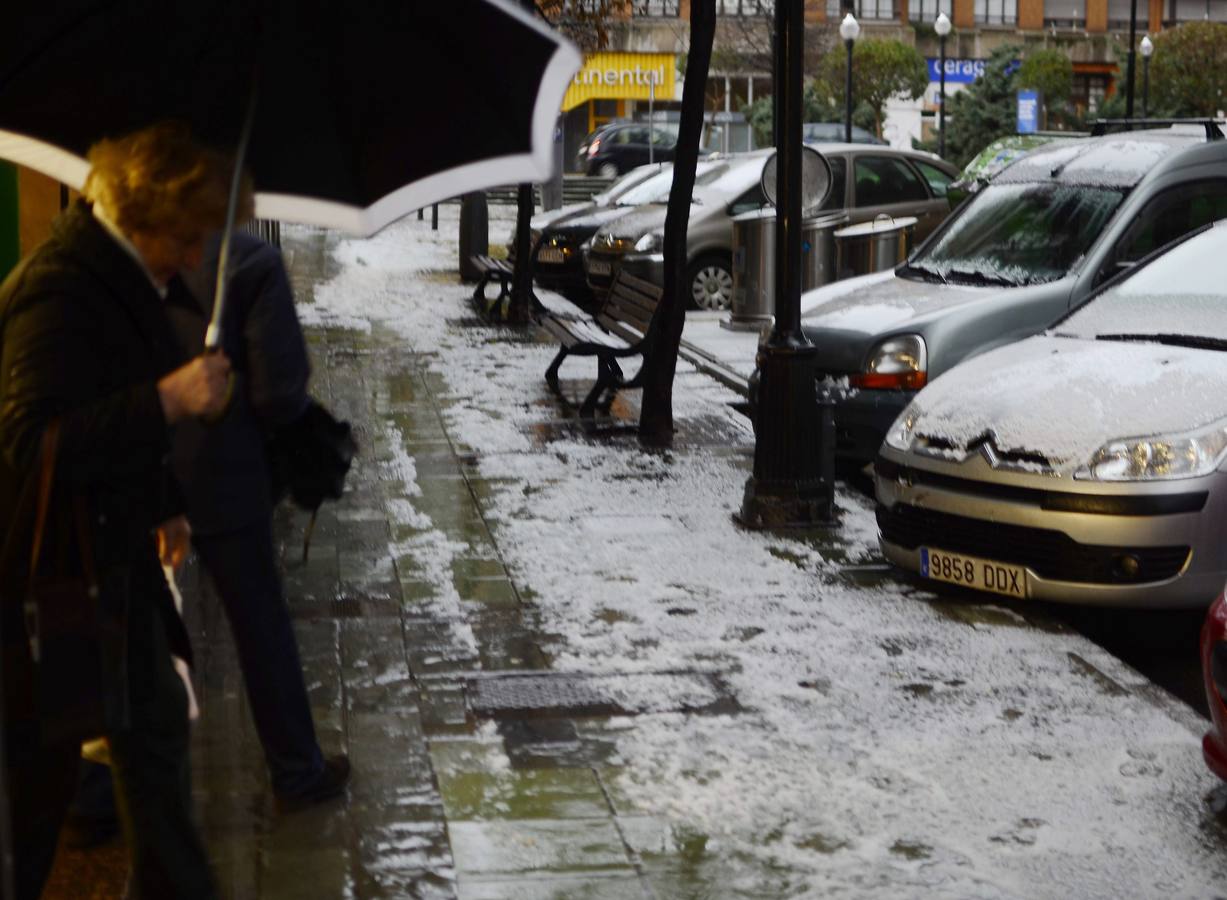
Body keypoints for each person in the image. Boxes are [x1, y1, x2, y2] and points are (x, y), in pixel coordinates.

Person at [0, 122, 235, 900]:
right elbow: (33, 442)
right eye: (189, 236)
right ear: (146, 217)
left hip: (109, 562)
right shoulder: (61, 287)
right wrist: (170, 398)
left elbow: (106, 402)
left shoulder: (120, 278)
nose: (199, 258)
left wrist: (163, 503)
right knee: (35, 792)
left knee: (155, 731)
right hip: (53, 581)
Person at [166, 229, 350, 810]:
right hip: (226, 470)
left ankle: (99, 788)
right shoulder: (249, 261)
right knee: (260, 625)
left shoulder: (132, 258)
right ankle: (296, 769)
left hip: (144, 459)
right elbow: (280, 395)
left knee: (133, 626)